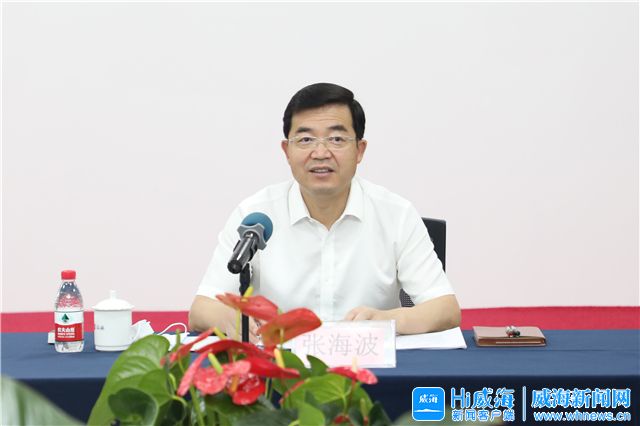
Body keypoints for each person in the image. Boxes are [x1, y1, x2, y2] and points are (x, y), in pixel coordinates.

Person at [189, 83, 460, 340]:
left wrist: (386, 320)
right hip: (281, 364)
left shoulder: (396, 214)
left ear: (359, 150)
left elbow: (445, 309)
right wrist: (233, 321)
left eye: (336, 139)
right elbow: (202, 309)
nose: (320, 152)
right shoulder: (254, 216)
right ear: (287, 151)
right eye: (306, 139)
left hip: (369, 363)